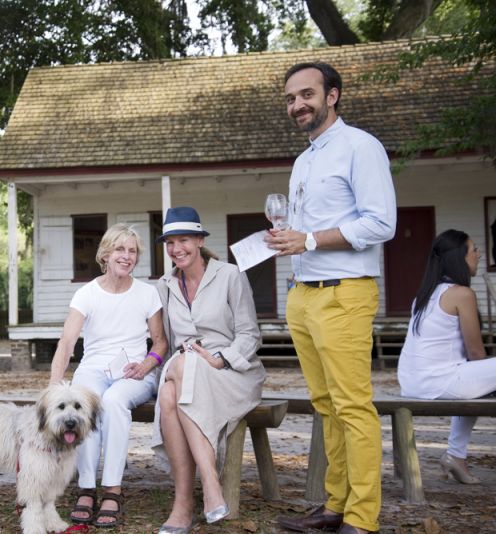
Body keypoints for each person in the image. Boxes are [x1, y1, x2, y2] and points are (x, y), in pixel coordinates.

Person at [265, 62, 397, 534]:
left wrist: (312, 240)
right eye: (290, 98)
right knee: (326, 406)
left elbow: (382, 223)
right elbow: (304, 232)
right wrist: (289, 240)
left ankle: (361, 519)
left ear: (332, 95)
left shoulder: (361, 147)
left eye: (306, 94)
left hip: (344, 294)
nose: (297, 104)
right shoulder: (304, 160)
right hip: (303, 297)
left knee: (353, 407)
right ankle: (335, 506)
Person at [152, 206, 264, 534]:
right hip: (184, 366)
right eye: (170, 243)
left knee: (174, 391)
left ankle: (185, 501)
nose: (176, 249)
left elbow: (250, 334)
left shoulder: (230, 275)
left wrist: (222, 359)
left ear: (200, 240)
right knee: (181, 370)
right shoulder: (164, 284)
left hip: (231, 372)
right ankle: (208, 489)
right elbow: (168, 341)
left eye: (184, 240)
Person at [49, 222, 167, 529]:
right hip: (93, 368)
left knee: (113, 401)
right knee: (87, 403)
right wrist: (53, 387)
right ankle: (87, 487)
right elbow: (66, 342)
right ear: (106, 254)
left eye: (132, 251)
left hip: (135, 372)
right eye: (120, 249)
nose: (126, 256)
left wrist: (146, 365)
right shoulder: (87, 293)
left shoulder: (146, 293)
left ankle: (112, 489)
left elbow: (161, 342)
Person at [398, 229, 495, 484]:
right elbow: (475, 352)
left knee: (478, 387)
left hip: (412, 381)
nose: (479, 255)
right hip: (438, 380)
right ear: (459, 257)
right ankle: (455, 454)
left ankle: (456, 456)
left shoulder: (425, 294)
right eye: (474, 250)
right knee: (481, 382)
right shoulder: (461, 294)